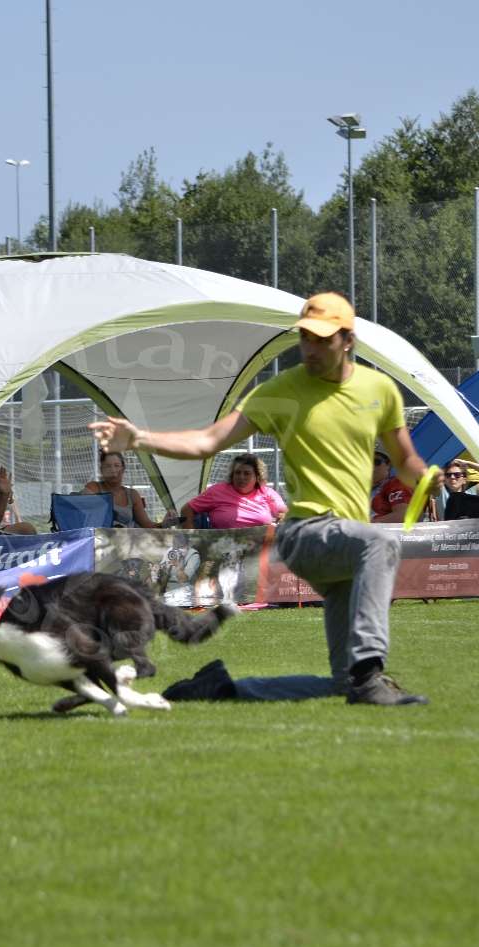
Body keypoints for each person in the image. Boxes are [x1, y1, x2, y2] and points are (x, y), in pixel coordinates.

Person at [90, 291, 439, 706]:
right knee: (381, 543)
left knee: (344, 684)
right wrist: (141, 438)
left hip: (347, 541)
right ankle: (371, 670)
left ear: (348, 339)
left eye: (322, 339)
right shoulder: (280, 391)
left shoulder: (379, 389)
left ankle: (221, 688)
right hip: (305, 532)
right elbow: (207, 440)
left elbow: (405, 460)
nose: (309, 348)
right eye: (305, 338)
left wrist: (424, 479)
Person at [181, 453, 287, 529]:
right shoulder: (217, 491)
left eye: (247, 473)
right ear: (232, 475)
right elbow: (187, 509)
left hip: (258, 552)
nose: (241, 477)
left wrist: (283, 518)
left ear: (258, 476)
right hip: (221, 550)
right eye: (237, 472)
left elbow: (285, 513)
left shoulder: (267, 493)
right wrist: (190, 539)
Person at [80, 451, 174, 528]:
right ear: (102, 470)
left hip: (127, 544)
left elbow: (147, 525)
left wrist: (164, 524)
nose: (113, 470)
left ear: (123, 468)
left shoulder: (132, 495)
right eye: (108, 466)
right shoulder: (93, 488)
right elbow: (83, 516)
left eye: (116, 465)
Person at [369, 445, 415, 523]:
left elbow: (405, 515)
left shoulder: (395, 484)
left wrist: (367, 524)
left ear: (388, 465)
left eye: (376, 462)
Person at [157, 531, 201, 607]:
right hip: (169, 591)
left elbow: (184, 579)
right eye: (176, 547)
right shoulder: (171, 551)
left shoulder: (194, 555)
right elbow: (161, 572)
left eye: (181, 547)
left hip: (186, 592)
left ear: (187, 545)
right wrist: (160, 568)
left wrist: (177, 565)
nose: (178, 550)